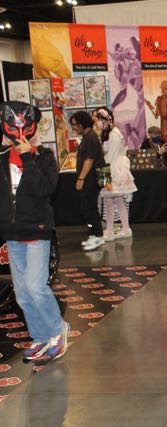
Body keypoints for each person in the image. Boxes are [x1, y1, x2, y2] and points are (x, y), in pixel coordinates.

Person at [0, 101, 70, 364]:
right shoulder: (2, 158)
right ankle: (40, 337)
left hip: (38, 231)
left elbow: (45, 189)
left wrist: (28, 157)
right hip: (13, 233)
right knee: (22, 294)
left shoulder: (44, 157)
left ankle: (57, 330)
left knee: (35, 287)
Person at [94, 108, 137, 241]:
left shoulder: (114, 135)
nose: (96, 122)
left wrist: (102, 170)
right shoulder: (109, 133)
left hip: (110, 170)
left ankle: (114, 230)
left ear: (105, 120)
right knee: (113, 200)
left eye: (98, 119)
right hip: (108, 169)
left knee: (110, 199)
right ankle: (118, 229)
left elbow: (110, 157)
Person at [70, 110, 106, 251]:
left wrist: (81, 178)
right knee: (88, 207)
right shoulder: (88, 136)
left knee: (89, 207)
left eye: (75, 124)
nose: (74, 127)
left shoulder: (90, 137)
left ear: (82, 124)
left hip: (92, 178)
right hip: (92, 178)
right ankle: (94, 234)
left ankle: (97, 235)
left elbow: (89, 160)